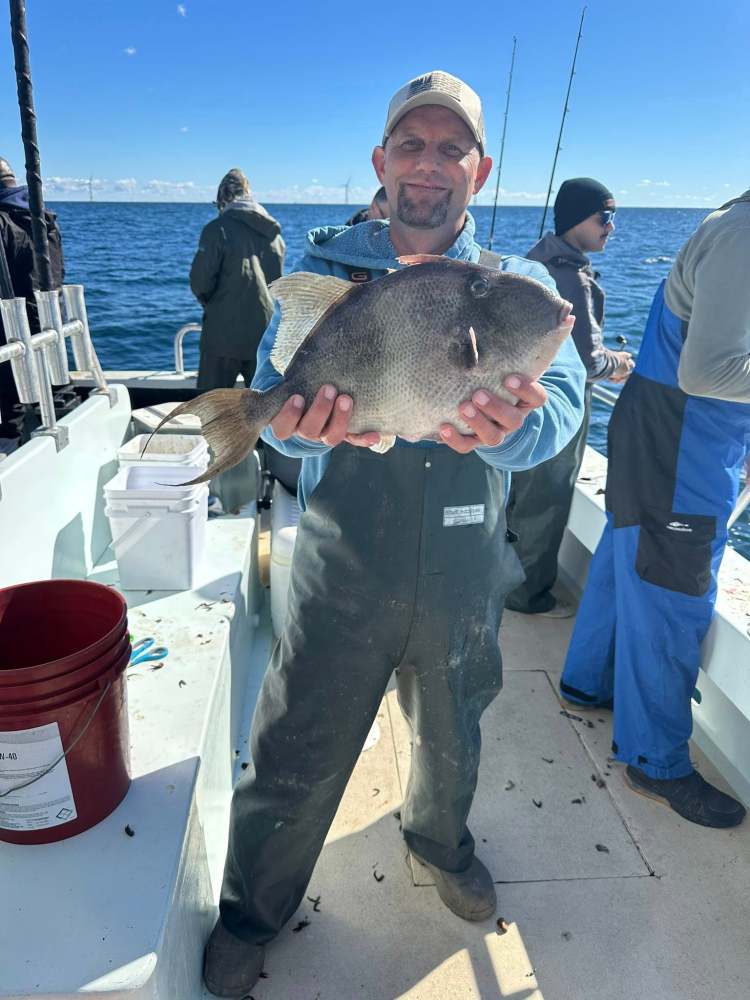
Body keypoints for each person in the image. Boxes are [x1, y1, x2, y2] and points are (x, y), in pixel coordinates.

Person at [202, 69, 586, 998]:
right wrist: (285, 424)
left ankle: (437, 841)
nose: (428, 166)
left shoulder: (517, 285)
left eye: (450, 148)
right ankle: (256, 909)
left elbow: (565, 401)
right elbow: (275, 378)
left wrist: (518, 428)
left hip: (463, 567)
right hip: (344, 563)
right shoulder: (328, 274)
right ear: (381, 160)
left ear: (479, 170)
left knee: (457, 728)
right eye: (410, 145)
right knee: (298, 745)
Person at [559, 189, 750, 828]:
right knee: (675, 589)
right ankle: (656, 761)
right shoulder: (745, 231)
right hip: (685, 438)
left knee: (625, 552)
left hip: (662, 426)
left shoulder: (732, 221)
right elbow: (710, 371)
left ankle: (588, 682)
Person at [505, 178, 634, 617]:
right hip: (560, 405)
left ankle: (503, 579)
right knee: (546, 497)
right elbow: (588, 361)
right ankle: (527, 593)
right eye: (606, 217)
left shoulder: (535, 262)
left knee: (518, 495)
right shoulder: (570, 277)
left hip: (523, 402)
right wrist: (623, 364)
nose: (611, 228)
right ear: (579, 217)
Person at [189, 169, 285, 391]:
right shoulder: (274, 234)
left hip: (222, 337)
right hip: (266, 335)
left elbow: (200, 283)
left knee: (212, 411)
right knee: (265, 412)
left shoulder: (217, 229)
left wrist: (211, 304)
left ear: (222, 198)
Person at [0, 157, 65, 433]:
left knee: (11, 397)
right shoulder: (44, 217)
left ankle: (11, 442)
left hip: (13, 322)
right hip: (50, 316)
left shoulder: (2, 220)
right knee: (57, 391)